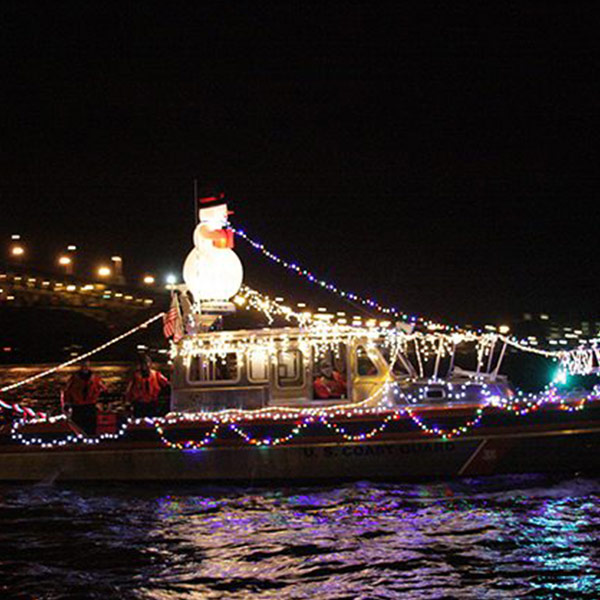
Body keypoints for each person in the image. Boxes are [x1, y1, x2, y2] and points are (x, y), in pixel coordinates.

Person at [63, 360, 107, 435]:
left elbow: (103, 388)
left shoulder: (95, 378)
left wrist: (100, 396)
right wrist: (67, 403)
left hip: (90, 404)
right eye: (84, 365)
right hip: (77, 404)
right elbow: (68, 391)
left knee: (91, 425)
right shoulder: (74, 378)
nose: (85, 367)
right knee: (78, 425)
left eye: (86, 365)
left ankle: (91, 438)